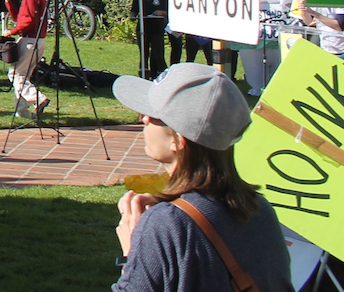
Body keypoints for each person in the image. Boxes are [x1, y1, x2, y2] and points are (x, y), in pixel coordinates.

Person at [111, 63, 293, 292]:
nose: (143, 119)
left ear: (179, 140)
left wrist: (132, 252)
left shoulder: (167, 222)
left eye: (153, 116)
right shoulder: (260, 208)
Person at [0, 0, 50, 119]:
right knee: (23, 76)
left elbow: (25, 21)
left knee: (16, 75)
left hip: (29, 39)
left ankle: (37, 98)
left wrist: (11, 32)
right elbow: (21, 18)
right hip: (38, 40)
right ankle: (22, 111)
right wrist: (8, 1)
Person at [135, 0, 168, 79]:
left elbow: (167, 10)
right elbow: (133, 10)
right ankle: (143, 75)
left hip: (157, 27)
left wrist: (161, 12)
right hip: (143, 27)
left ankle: (157, 74)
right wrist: (132, 16)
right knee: (144, 53)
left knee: (157, 53)